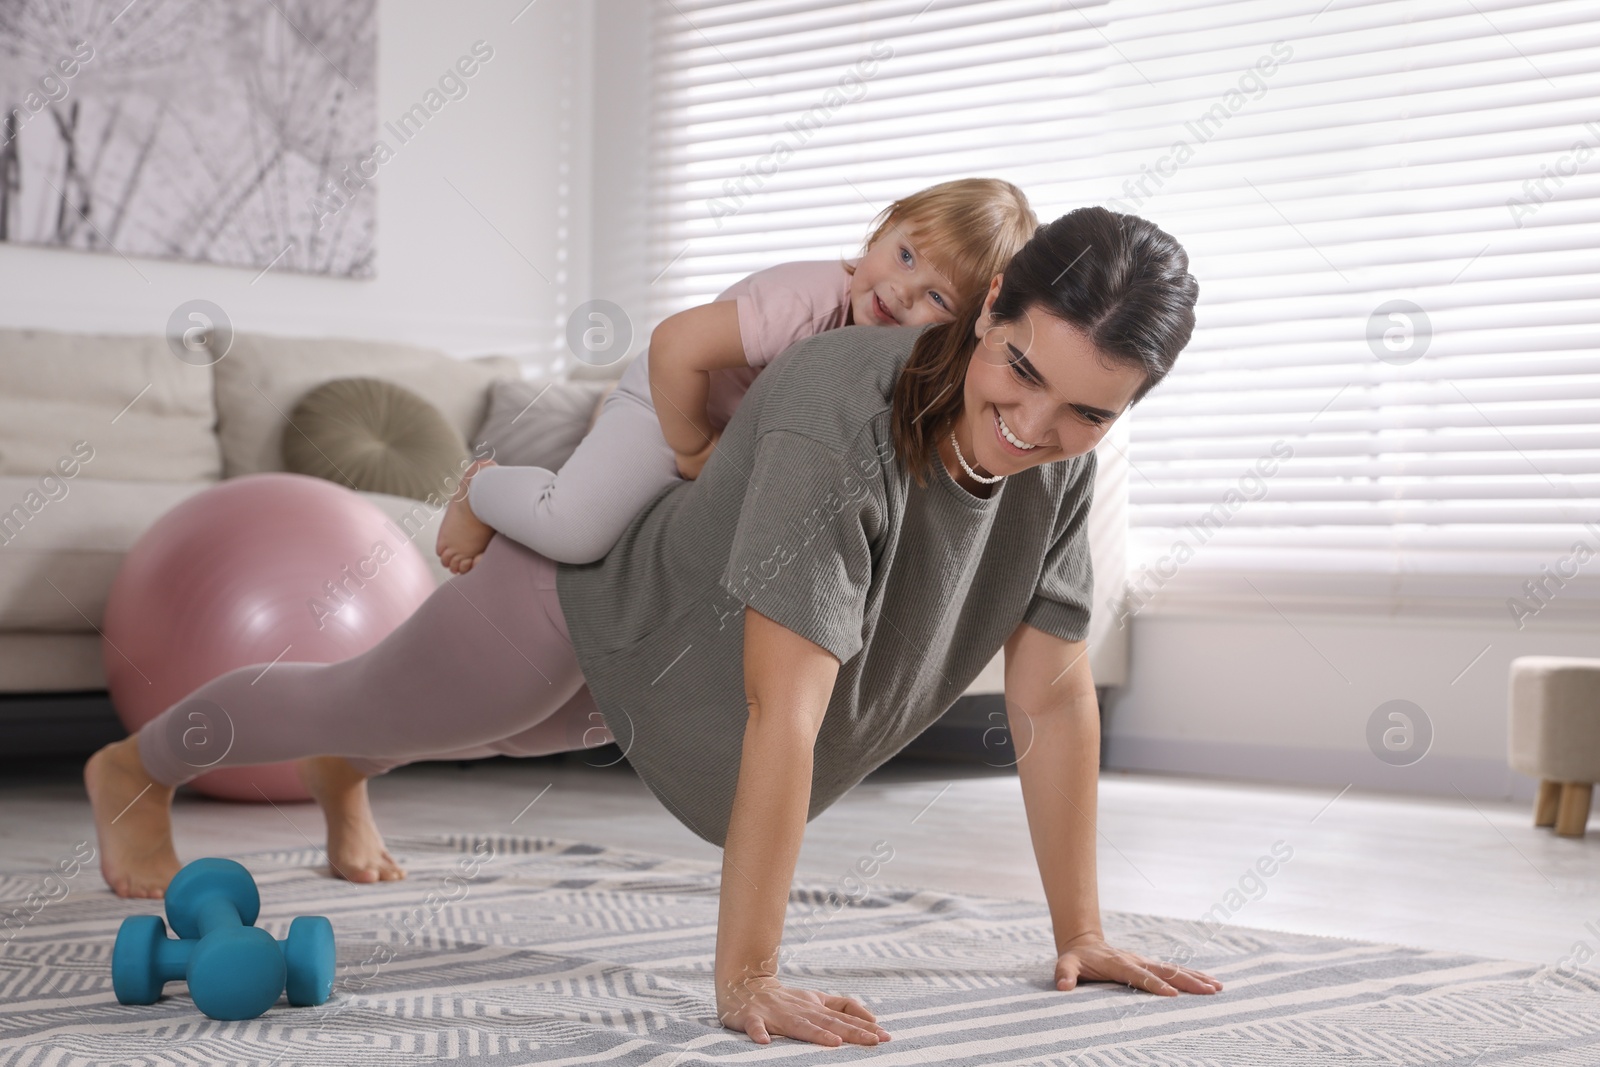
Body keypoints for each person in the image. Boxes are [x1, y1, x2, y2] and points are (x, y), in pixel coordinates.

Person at [85, 205, 1219, 1048]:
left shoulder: (1065, 468)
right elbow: (789, 704)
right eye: (1017, 369)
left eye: (1084, 409)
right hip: (576, 607)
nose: (1032, 424)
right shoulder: (843, 407)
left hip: (671, 668)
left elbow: (1053, 693)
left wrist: (1083, 928)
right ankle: (134, 768)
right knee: (357, 696)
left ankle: (347, 773)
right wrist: (748, 976)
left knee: (459, 731)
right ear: (990, 303)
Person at [433, 177, 1038, 573]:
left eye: (936, 297)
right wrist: (693, 445)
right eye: (904, 255)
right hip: (669, 400)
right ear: (882, 229)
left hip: (740, 434)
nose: (900, 291)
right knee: (575, 532)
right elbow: (673, 344)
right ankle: (483, 488)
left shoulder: (899, 351)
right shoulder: (805, 299)